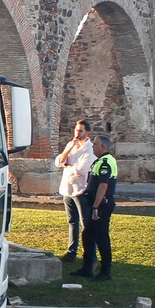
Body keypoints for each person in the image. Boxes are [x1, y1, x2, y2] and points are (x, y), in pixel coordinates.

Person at [71, 135, 117, 281]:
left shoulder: (106, 162)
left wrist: (96, 207)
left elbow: (103, 186)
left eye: (95, 144)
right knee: (88, 235)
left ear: (103, 147)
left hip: (102, 206)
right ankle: (87, 267)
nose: (92, 147)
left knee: (102, 237)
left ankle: (105, 271)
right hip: (95, 204)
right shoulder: (100, 161)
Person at [54, 119, 95, 264]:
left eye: (80, 131)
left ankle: (90, 255)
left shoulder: (90, 149)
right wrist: (68, 150)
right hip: (67, 189)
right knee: (72, 222)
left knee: (86, 223)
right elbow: (58, 161)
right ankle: (71, 253)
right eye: (76, 130)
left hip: (81, 191)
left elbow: (81, 170)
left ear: (87, 132)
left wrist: (67, 165)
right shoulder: (71, 145)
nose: (77, 133)